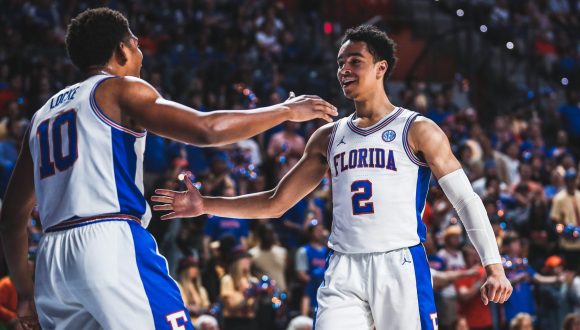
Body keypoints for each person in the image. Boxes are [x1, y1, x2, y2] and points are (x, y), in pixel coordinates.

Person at [153, 24, 512, 329]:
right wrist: (205, 204)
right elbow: (277, 201)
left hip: (398, 263)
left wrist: (493, 267)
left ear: (381, 68)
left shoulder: (417, 129)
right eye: (340, 63)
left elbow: (465, 199)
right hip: (343, 266)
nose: (344, 70)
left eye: (355, 61)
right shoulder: (327, 136)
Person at [0, 7, 337, 330]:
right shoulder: (118, 88)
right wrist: (286, 111)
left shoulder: (41, 115)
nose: (141, 53)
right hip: (108, 241)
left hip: (52, 262)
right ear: (121, 50)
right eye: (135, 44)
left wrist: (26, 292)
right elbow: (207, 130)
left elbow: (13, 217)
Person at [295, 220, 328, 317]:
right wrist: (317, 281)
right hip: (312, 291)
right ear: (310, 233)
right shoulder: (303, 251)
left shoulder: (328, 250)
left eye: (321, 230)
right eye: (317, 230)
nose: (320, 232)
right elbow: (301, 274)